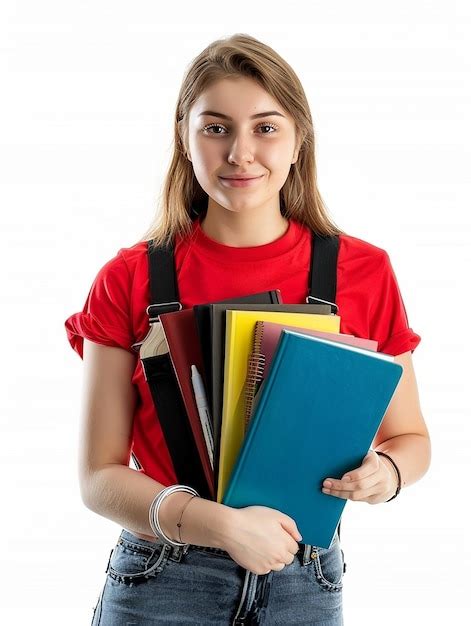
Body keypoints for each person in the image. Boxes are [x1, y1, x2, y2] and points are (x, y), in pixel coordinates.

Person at [64, 33, 431, 626]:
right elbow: (98, 477)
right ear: (184, 137)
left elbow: (411, 440)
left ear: (298, 140)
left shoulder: (363, 272)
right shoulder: (128, 277)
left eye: (265, 127)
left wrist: (384, 475)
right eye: (215, 128)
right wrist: (220, 526)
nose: (240, 153)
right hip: (164, 577)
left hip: (305, 582)